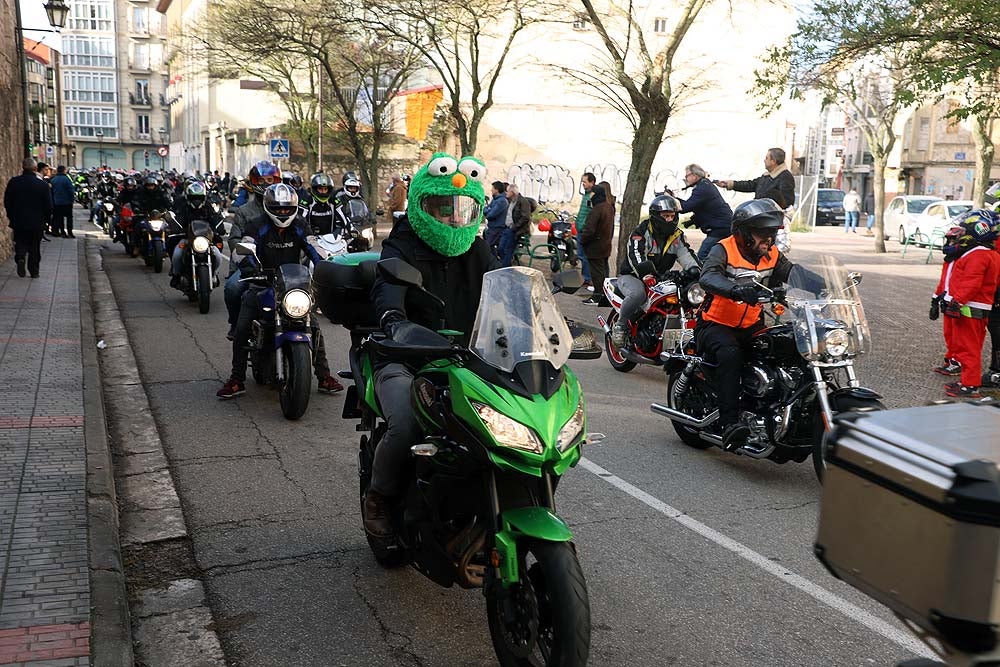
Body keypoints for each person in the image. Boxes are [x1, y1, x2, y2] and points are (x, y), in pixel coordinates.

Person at [363, 152, 498, 537]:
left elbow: (506, 286)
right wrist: (393, 319)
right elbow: (387, 287)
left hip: (469, 358)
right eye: (444, 209)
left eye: (462, 209)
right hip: (407, 356)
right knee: (406, 423)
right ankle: (380, 496)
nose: (454, 218)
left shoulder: (478, 249)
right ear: (424, 205)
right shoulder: (402, 244)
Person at [696, 198, 821, 449]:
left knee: (786, 346)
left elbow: (792, 273)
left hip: (751, 324)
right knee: (731, 355)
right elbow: (708, 277)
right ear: (742, 233)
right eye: (762, 233)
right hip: (716, 324)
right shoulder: (724, 249)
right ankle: (730, 423)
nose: (768, 239)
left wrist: (824, 284)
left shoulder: (771, 254)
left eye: (772, 233)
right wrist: (735, 290)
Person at [217, 183, 343, 399]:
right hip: (261, 284)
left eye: (287, 208)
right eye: (278, 208)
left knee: (312, 325)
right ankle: (236, 379)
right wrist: (251, 266)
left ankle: (324, 377)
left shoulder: (301, 226)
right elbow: (244, 250)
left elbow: (314, 248)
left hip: (293, 286)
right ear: (268, 207)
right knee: (242, 327)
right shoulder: (256, 225)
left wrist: (326, 266)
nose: (283, 212)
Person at [611, 195, 700, 346]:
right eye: (665, 216)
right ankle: (620, 325)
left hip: (660, 277)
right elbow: (636, 254)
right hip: (633, 276)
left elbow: (686, 255)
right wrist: (645, 273)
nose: (669, 220)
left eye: (672, 216)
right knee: (638, 294)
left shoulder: (676, 236)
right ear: (655, 216)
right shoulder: (641, 232)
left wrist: (698, 272)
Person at [935, 210, 1000, 398]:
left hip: (971, 308)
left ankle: (970, 385)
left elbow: (972, 282)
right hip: (971, 307)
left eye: (965, 230)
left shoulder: (979, 255)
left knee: (969, 348)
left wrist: (957, 301)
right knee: (968, 347)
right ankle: (967, 380)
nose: (962, 234)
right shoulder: (983, 253)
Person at [224, 161, 277, 339]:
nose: (265, 184)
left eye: (269, 180)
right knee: (232, 288)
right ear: (253, 182)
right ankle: (235, 323)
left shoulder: (287, 207)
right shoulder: (244, 211)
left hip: (279, 264)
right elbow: (234, 239)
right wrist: (246, 259)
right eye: (261, 180)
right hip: (251, 266)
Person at [169, 181, 225, 288]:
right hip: (187, 238)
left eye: (199, 197)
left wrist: (219, 227)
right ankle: (176, 275)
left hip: (206, 239)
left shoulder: (208, 206)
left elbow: (215, 218)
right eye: (193, 197)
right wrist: (175, 227)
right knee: (177, 254)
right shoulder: (184, 207)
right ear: (188, 197)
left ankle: (214, 274)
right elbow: (179, 219)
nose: (196, 200)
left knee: (217, 255)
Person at [4, 158, 52, 278]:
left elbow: (7, 202)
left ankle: (20, 257)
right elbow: (49, 206)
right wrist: (47, 220)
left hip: (19, 220)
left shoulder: (14, 182)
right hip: (37, 221)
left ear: (23, 167)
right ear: (35, 169)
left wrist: (12, 216)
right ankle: (34, 271)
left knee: (20, 241)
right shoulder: (42, 185)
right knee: (35, 246)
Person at [676, 164, 733, 261]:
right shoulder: (704, 185)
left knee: (702, 255)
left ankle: (705, 275)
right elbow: (702, 207)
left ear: (694, 175)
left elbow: (684, 207)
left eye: (687, 176)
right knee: (718, 255)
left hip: (721, 228)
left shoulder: (702, 188)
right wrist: (693, 221)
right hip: (723, 226)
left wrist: (672, 198)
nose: (686, 178)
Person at [716, 148, 796, 209]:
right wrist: (729, 184)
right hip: (761, 218)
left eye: (766, 158)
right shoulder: (766, 176)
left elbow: (786, 204)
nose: (764, 160)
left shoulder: (785, 177)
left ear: (773, 161)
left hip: (772, 222)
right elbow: (750, 185)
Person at [579, 183, 614, 306]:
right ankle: (605, 295)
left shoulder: (597, 210)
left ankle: (598, 296)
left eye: (592, 193)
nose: (590, 195)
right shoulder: (608, 207)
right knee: (603, 272)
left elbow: (589, 230)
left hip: (595, 247)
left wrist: (582, 240)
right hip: (605, 245)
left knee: (597, 273)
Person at [499, 183, 531, 266]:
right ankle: (505, 265)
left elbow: (525, 217)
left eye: (507, 191)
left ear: (512, 192)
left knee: (508, 250)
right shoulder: (511, 201)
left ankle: (505, 268)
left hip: (516, 230)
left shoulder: (522, 201)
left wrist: (515, 227)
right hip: (507, 228)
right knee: (500, 248)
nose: (506, 193)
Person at [575, 173, 596, 289]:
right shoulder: (585, 195)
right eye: (582, 182)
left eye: (585, 182)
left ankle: (588, 278)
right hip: (580, 230)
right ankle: (586, 278)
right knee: (581, 255)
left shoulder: (592, 196)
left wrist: (584, 226)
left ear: (592, 182)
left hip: (584, 231)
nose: (583, 184)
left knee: (584, 256)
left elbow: (591, 215)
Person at [482, 180, 508, 257]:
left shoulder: (501, 201)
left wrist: (488, 210)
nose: (491, 190)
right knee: (489, 246)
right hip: (492, 227)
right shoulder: (495, 199)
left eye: (492, 188)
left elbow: (490, 215)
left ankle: (494, 262)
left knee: (488, 246)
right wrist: (488, 209)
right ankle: (494, 261)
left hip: (497, 228)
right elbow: (485, 209)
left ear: (497, 190)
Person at [50, 166, 76, 238]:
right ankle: (70, 232)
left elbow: (51, 192)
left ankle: (62, 232)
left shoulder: (53, 180)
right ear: (64, 171)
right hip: (67, 202)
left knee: (59, 217)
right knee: (69, 218)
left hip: (57, 202)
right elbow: (71, 190)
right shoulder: (67, 179)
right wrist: (72, 199)